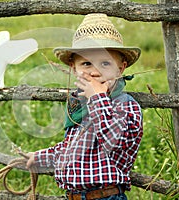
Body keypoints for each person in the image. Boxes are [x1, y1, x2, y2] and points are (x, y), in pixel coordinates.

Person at [26, 13, 143, 200]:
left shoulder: (125, 106)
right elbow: (72, 150)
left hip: (106, 196)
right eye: (86, 64)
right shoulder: (80, 107)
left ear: (120, 68)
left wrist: (98, 97)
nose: (95, 72)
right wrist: (41, 157)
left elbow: (111, 141)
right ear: (74, 68)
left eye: (105, 63)